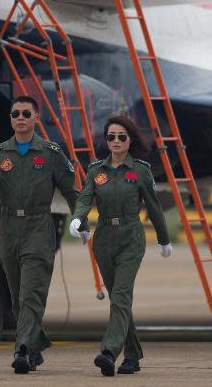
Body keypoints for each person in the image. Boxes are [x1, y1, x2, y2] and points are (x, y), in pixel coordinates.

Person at [0, 96, 79, 374]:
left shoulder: (50, 152)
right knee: (18, 295)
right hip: (8, 229)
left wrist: (79, 218)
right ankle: (34, 346)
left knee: (32, 293)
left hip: (38, 227)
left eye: (25, 113)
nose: (20, 118)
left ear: (36, 117)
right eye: (15, 114)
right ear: (11, 119)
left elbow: (71, 189)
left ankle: (21, 350)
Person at [68, 115, 172, 376]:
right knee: (118, 300)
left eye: (121, 137)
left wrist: (164, 239)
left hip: (130, 238)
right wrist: (78, 218)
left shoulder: (140, 170)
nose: (115, 141)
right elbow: (84, 198)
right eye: (111, 137)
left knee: (122, 296)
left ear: (130, 140)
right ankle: (133, 356)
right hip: (103, 239)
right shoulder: (95, 171)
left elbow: (155, 208)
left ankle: (109, 352)